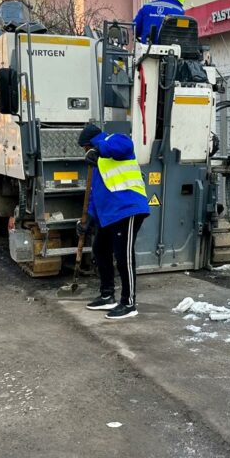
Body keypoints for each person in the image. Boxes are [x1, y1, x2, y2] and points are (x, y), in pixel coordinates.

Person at [76, 122, 150, 320]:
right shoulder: (98, 163)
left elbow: (126, 145)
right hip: (110, 214)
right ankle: (107, 295)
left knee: (123, 255)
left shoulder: (112, 140)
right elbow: (96, 195)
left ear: (90, 143)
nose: (84, 151)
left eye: (85, 147)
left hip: (128, 208)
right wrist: (88, 221)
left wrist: (99, 150)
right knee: (100, 249)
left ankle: (129, 303)